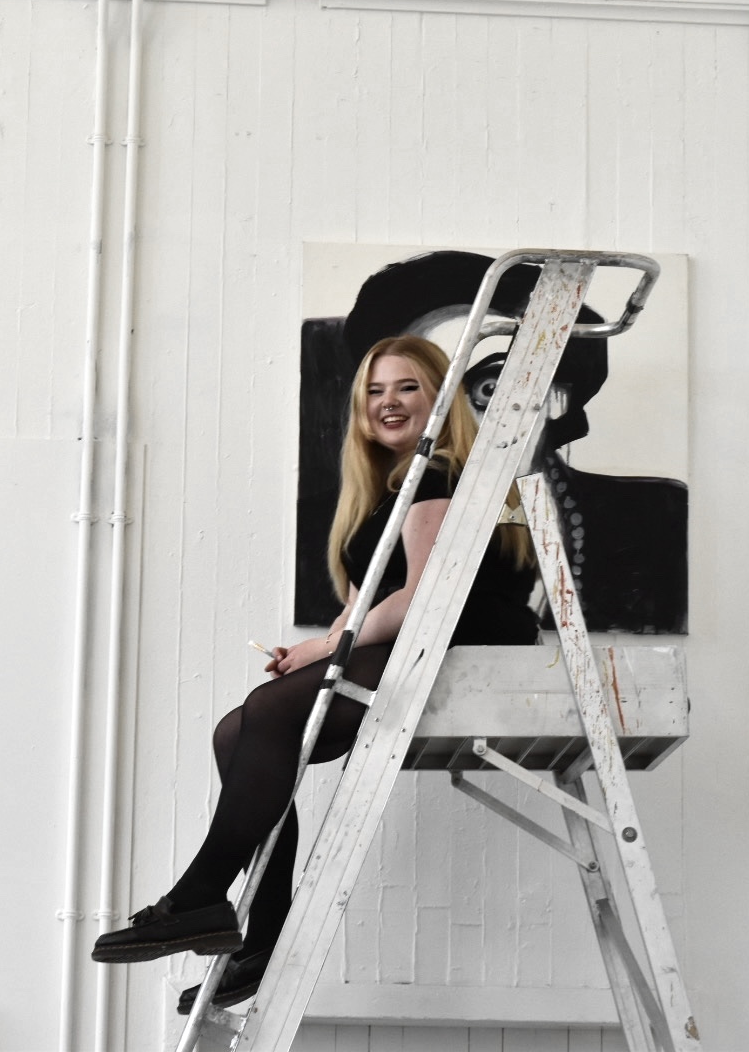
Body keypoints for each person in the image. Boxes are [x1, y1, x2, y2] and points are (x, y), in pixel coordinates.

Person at [91, 336, 539, 1012]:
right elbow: (364, 608)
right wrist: (321, 647)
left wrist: (323, 652)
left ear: (441, 396)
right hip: (411, 644)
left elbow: (424, 596)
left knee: (265, 714)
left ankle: (205, 897)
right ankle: (257, 934)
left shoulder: (446, 471)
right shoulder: (390, 488)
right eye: (374, 392)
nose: (388, 403)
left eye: (407, 388)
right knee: (235, 731)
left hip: (461, 642)